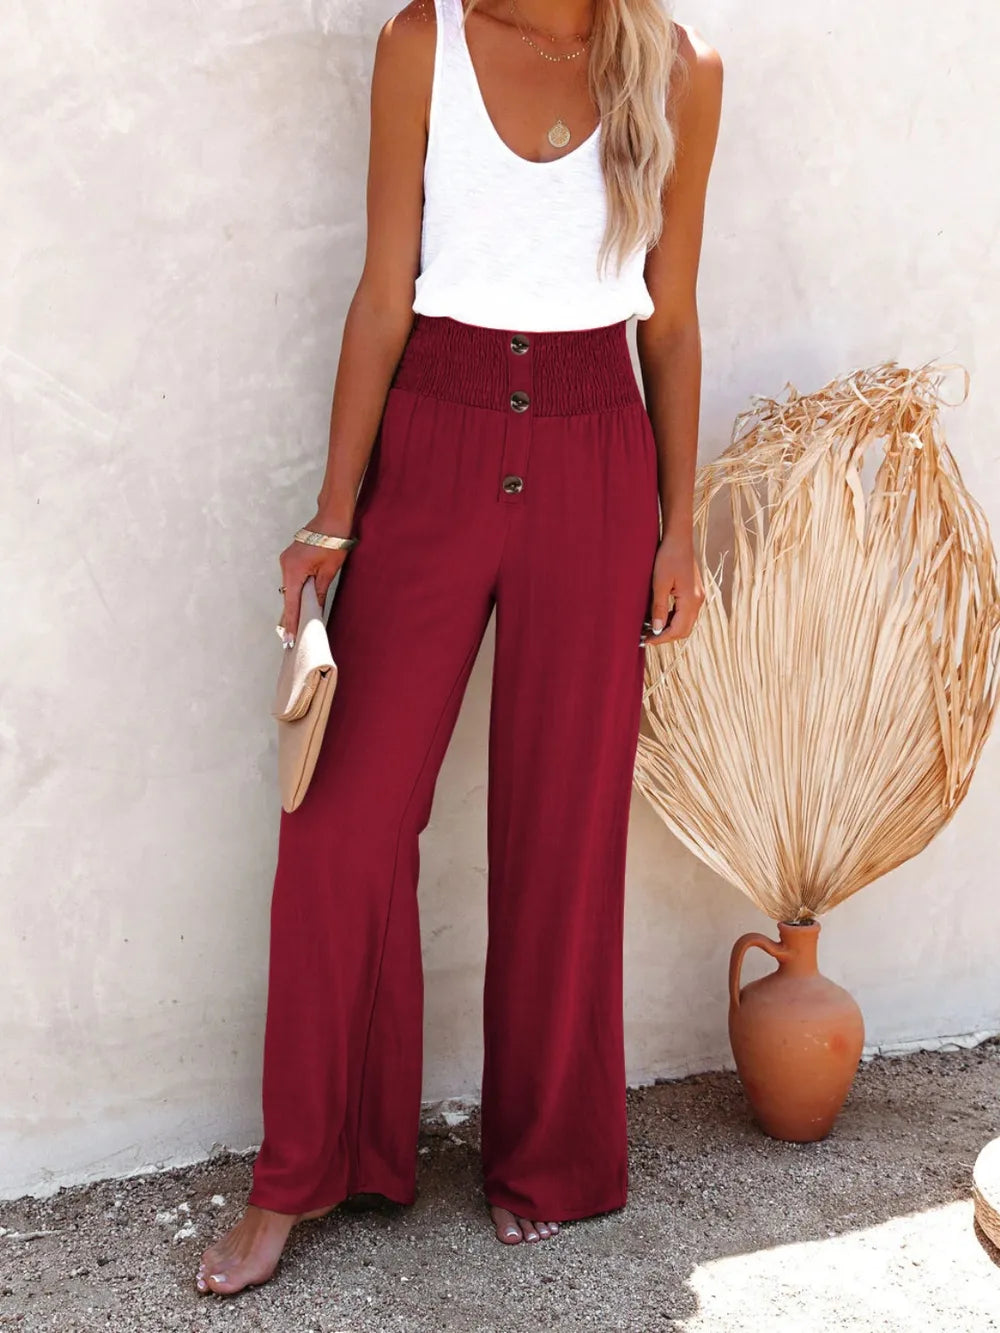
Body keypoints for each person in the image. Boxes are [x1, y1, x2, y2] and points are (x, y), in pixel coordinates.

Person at [196, 0, 721, 1296]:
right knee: (342, 820)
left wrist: (680, 528)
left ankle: (551, 1159)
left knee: (564, 829)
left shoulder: (679, 69)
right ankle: (310, 1166)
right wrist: (334, 513)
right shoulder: (420, 42)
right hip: (434, 436)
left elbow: (668, 321)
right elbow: (385, 297)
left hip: (597, 456)